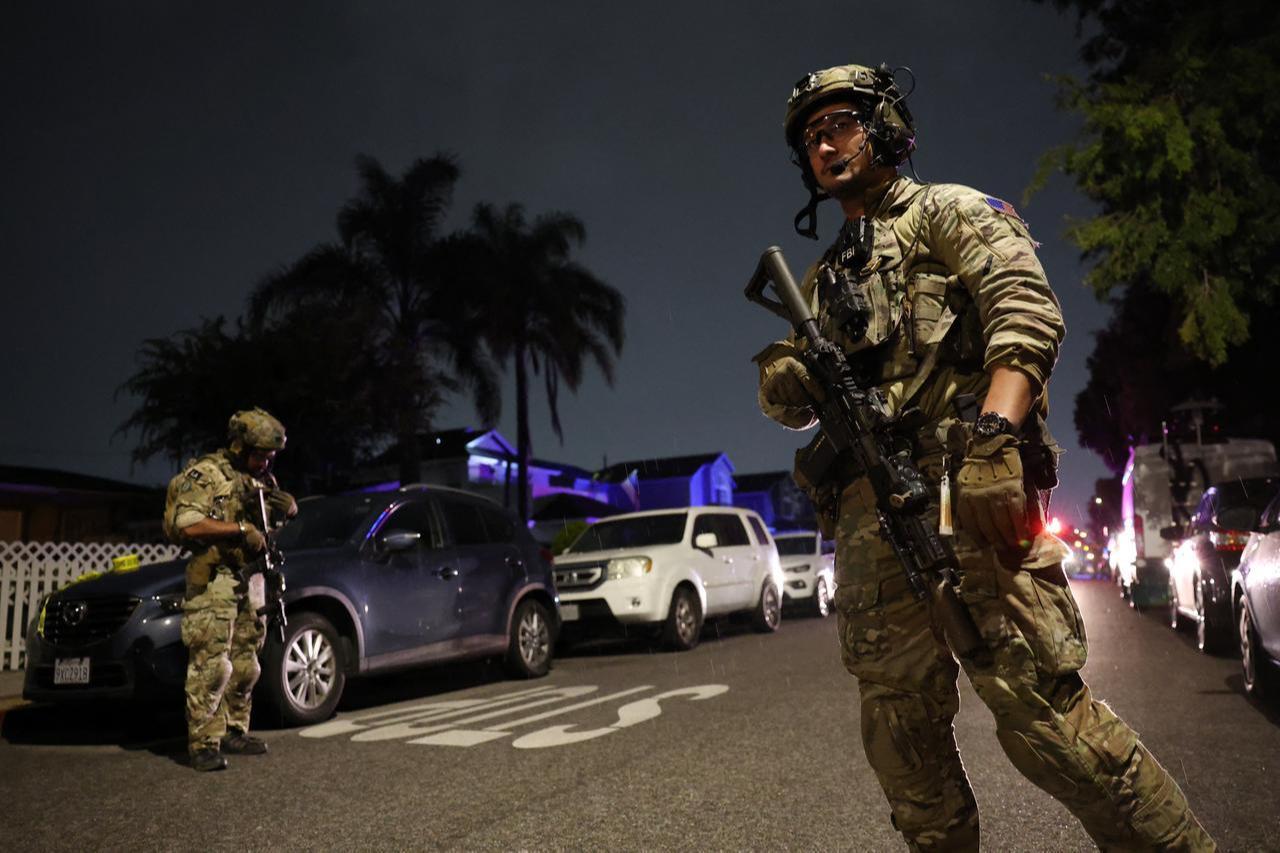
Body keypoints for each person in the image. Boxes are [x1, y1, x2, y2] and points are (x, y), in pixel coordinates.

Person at [755, 64, 1215, 850]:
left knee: (1051, 728)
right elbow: (788, 403)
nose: (825, 144)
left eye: (840, 124)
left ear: (884, 126)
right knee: (905, 750)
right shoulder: (826, 278)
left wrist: (997, 436)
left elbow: (1026, 311)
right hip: (875, 533)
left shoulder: (950, 212)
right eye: (811, 136)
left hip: (967, 497)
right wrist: (787, 374)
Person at [162, 407, 298, 772]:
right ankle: (202, 743)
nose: (266, 461)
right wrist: (238, 530)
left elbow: (266, 533)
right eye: (260, 454)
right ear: (239, 446)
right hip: (215, 580)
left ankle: (234, 730)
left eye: (271, 456)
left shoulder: (262, 479)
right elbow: (187, 524)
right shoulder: (206, 475)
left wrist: (285, 512)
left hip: (250, 579)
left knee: (246, 664)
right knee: (212, 665)